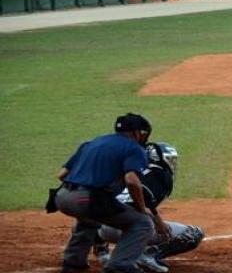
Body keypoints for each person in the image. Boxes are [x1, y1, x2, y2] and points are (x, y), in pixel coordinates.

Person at [53, 113, 169, 273]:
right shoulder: (134, 148)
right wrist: (142, 209)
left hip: (61, 197)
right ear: (136, 133)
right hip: (86, 199)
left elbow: (62, 174)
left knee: (90, 217)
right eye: (143, 133)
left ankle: (73, 262)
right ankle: (120, 265)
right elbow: (131, 180)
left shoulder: (92, 143)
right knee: (142, 223)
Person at [94, 142, 204, 273]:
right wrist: (157, 219)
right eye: (169, 159)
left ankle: (101, 251)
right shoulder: (160, 174)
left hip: (103, 229)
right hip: (130, 231)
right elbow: (143, 196)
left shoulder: (128, 170)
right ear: (158, 158)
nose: (172, 163)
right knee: (194, 234)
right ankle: (148, 255)